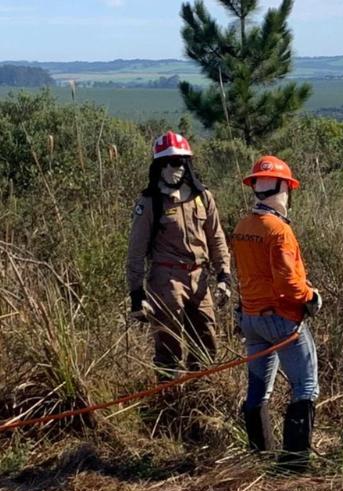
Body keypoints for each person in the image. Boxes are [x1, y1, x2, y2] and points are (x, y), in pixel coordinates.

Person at [231, 155, 321, 472]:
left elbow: (244, 274)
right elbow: (288, 284)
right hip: (281, 319)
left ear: (256, 186)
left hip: (251, 319)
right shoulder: (278, 231)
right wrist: (311, 297)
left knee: (258, 389)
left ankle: (260, 455)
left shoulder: (244, 226)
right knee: (306, 388)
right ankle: (295, 466)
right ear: (284, 188)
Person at [127, 131, 231, 379]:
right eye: (166, 163)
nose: (172, 168)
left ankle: (200, 396)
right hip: (166, 278)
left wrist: (224, 276)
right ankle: (169, 400)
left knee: (207, 338)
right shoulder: (151, 202)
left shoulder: (202, 197)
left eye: (178, 162)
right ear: (158, 166)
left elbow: (217, 238)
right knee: (168, 342)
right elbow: (136, 249)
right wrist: (136, 293)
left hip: (199, 277)